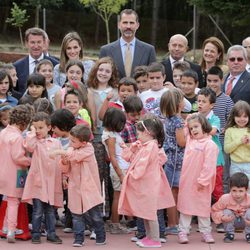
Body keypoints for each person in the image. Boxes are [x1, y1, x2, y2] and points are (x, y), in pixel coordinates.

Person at [118, 115, 175, 248]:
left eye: (139, 133)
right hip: (145, 184)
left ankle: (155, 239)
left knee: (149, 212)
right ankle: (149, 237)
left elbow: (142, 165)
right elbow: (130, 158)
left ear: (148, 132)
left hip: (148, 184)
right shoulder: (146, 145)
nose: (137, 136)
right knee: (145, 211)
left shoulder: (151, 147)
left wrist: (132, 175)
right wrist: (131, 148)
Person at [59, 124, 106, 246]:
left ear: (84, 142)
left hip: (89, 188)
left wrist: (62, 152)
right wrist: (64, 162)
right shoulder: (71, 149)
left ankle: (101, 236)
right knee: (76, 215)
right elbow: (65, 168)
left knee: (95, 215)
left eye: (73, 141)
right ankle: (78, 239)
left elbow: (76, 157)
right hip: (75, 188)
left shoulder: (88, 149)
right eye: (70, 140)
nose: (70, 143)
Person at [22, 112, 63, 244]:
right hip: (38, 184)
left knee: (50, 211)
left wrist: (64, 177)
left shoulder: (56, 142)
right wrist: (32, 132)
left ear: (49, 127)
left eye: (41, 127)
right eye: (36, 128)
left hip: (51, 183)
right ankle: (36, 234)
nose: (38, 131)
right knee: (37, 211)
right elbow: (29, 146)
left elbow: (61, 161)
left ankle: (51, 234)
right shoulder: (35, 143)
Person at [177, 113, 219, 244]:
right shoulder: (190, 140)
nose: (193, 130)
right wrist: (189, 119)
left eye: (196, 126)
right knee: (186, 207)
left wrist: (203, 181)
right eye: (191, 128)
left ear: (204, 126)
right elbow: (185, 128)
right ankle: (183, 231)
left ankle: (206, 231)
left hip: (202, 183)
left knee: (203, 207)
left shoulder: (210, 145)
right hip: (187, 182)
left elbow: (209, 166)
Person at [87, 57, 119, 218]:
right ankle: (97, 211)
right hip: (95, 138)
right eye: (101, 69)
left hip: (112, 137)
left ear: (112, 74)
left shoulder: (115, 92)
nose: (103, 73)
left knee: (111, 175)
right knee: (98, 175)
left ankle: (112, 212)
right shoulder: (89, 91)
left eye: (107, 71)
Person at [0, 104, 34, 243]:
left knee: (8, 200)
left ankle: (6, 227)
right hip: (15, 174)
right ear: (23, 124)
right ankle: (12, 231)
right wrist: (31, 161)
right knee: (14, 201)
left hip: (2, 172)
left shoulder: (3, 133)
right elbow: (18, 157)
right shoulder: (17, 137)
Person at [99, 9, 156, 78]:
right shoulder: (105, 50)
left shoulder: (149, 50)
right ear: (119, 25)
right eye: (125, 22)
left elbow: (153, 75)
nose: (128, 26)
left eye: (131, 23)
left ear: (137, 25)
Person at [160, 88, 186, 235]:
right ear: (178, 104)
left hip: (169, 159)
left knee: (171, 191)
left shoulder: (169, 119)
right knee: (173, 192)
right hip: (177, 161)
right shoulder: (178, 121)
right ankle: (173, 224)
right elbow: (181, 142)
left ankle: (172, 223)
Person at [102, 108, 130, 234]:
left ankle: (117, 222)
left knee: (119, 196)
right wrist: (120, 174)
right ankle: (115, 223)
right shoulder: (110, 136)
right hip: (119, 169)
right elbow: (112, 157)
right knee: (117, 197)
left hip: (122, 167)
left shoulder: (112, 134)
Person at [206, 66, 234, 193]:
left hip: (221, 145)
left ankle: (222, 201)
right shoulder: (203, 97)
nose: (212, 84)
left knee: (222, 175)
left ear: (222, 81)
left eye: (215, 80)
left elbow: (232, 118)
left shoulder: (227, 100)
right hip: (204, 145)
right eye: (209, 80)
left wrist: (224, 129)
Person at [14, 27, 58, 95]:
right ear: (26, 43)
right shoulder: (17, 66)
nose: (36, 46)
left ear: (44, 43)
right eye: (32, 42)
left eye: (39, 42)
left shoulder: (55, 65)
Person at [211, 172, 250, 243]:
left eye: (241, 191)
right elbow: (214, 210)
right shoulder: (225, 198)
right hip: (230, 220)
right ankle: (229, 234)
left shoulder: (249, 198)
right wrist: (222, 217)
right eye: (234, 190)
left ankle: (249, 234)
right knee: (226, 212)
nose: (237, 194)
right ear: (230, 189)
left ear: (246, 190)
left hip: (246, 221)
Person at [224, 100, 250, 188]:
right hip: (235, 165)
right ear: (233, 116)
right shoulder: (229, 131)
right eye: (238, 116)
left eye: (245, 116)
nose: (242, 119)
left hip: (249, 164)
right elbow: (227, 149)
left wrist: (248, 143)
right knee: (236, 187)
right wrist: (239, 141)